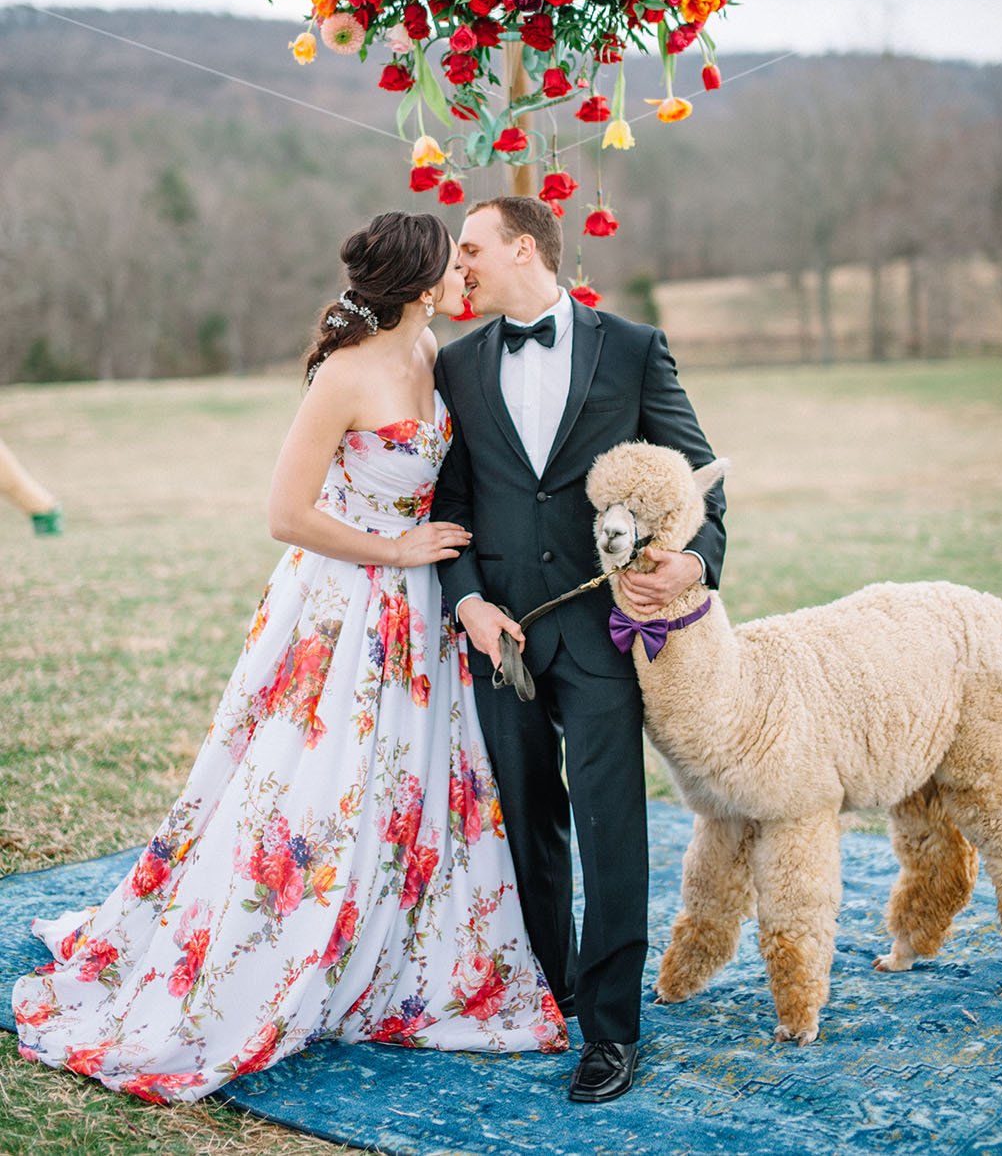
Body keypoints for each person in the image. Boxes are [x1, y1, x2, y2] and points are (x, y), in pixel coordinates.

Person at [13, 211, 568, 1103]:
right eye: (452, 259)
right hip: (344, 601)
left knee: (413, 783)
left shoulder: (431, 357)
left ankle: (392, 949)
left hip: (421, 611)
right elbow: (284, 511)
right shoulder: (345, 375)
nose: (464, 270)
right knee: (316, 781)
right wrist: (394, 549)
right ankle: (272, 945)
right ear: (424, 285)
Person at [431, 196, 726, 1104]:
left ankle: (611, 1029)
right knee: (526, 819)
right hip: (502, 637)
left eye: (473, 248)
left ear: (526, 247)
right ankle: (547, 988)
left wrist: (693, 563)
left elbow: (703, 475)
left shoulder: (633, 347)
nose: (462, 265)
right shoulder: (456, 363)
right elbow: (452, 504)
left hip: (605, 632)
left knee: (610, 827)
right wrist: (470, 603)